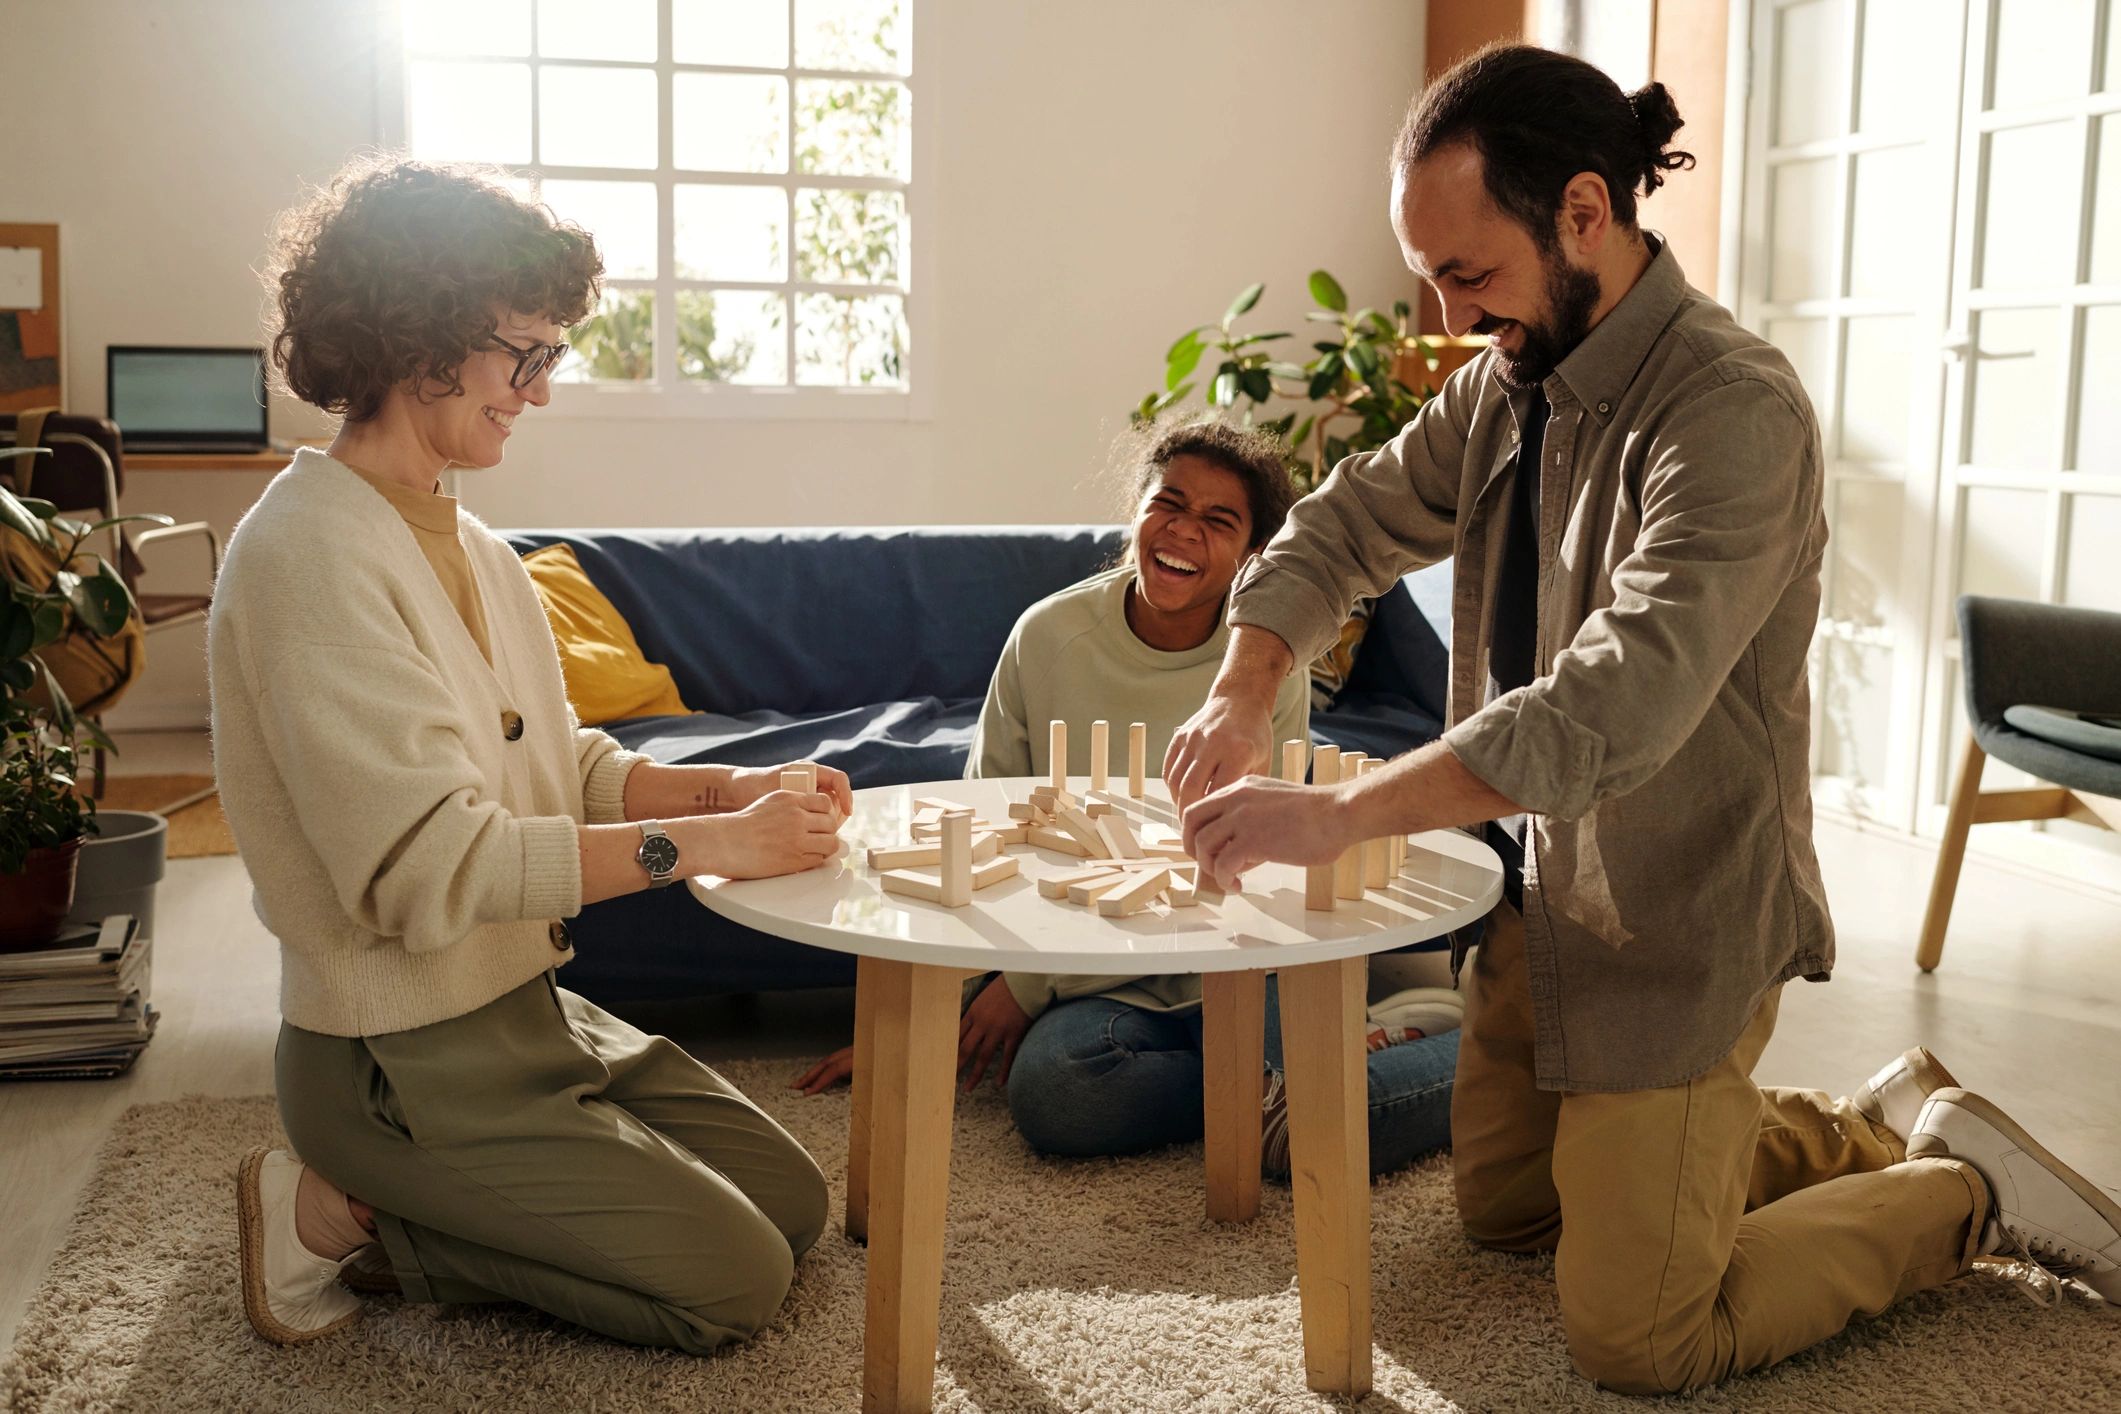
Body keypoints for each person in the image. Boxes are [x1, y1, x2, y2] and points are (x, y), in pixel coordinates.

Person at [1167, 44, 2121, 1395]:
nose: (1445, 314)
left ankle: (1961, 1185)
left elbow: (1615, 703)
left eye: (1468, 274)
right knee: (1506, 1212)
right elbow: (1348, 519)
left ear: (1582, 212)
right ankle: (1864, 1125)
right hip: (1539, 910)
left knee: (1641, 1335)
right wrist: (1244, 682)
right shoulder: (1503, 379)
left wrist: (1341, 814)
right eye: (1432, 275)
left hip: (1678, 925)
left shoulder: (1730, 410)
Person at [213, 156, 850, 1353]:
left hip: (527, 1009)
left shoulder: (484, 551)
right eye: (527, 354)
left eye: (547, 356)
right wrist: (711, 846)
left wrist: (741, 789)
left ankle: (435, 1198)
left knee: (794, 1205)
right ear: (423, 332)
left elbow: (570, 766)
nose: (540, 392)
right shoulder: (306, 555)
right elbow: (428, 870)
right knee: (734, 1284)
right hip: (394, 1057)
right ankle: (332, 1212)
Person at [794, 420, 1464, 1179]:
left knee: (1305, 1138)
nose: (1183, 531)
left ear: (1255, 557)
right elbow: (983, 831)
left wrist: (1027, 987)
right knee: (1057, 1093)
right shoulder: (1046, 637)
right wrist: (938, 1018)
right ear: (1136, 510)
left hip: (1240, 963)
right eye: (1167, 504)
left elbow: (1246, 869)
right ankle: (1303, 1076)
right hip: (1106, 979)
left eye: (1219, 521)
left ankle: (1444, 1053)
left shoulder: (1266, 666)